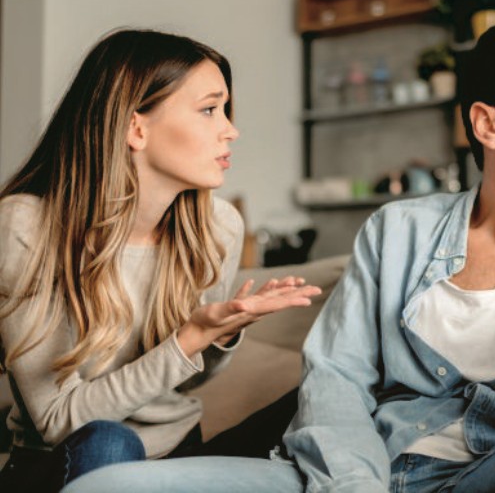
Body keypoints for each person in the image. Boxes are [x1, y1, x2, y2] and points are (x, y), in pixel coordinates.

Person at [64, 20, 495, 493]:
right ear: (488, 125)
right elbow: (336, 379)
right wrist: (353, 484)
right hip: (369, 471)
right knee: (102, 488)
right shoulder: (398, 232)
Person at [0, 29, 321, 492]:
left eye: (226, 110)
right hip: (69, 460)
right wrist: (188, 338)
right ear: (136, 128)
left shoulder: (217, 227)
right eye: (210, 109)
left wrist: (217, 335)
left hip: (179, 455)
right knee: (111, 442)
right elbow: (55, 420)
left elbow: (180, 388)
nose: (231, 129)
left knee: (323, 397)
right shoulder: (26, 228)